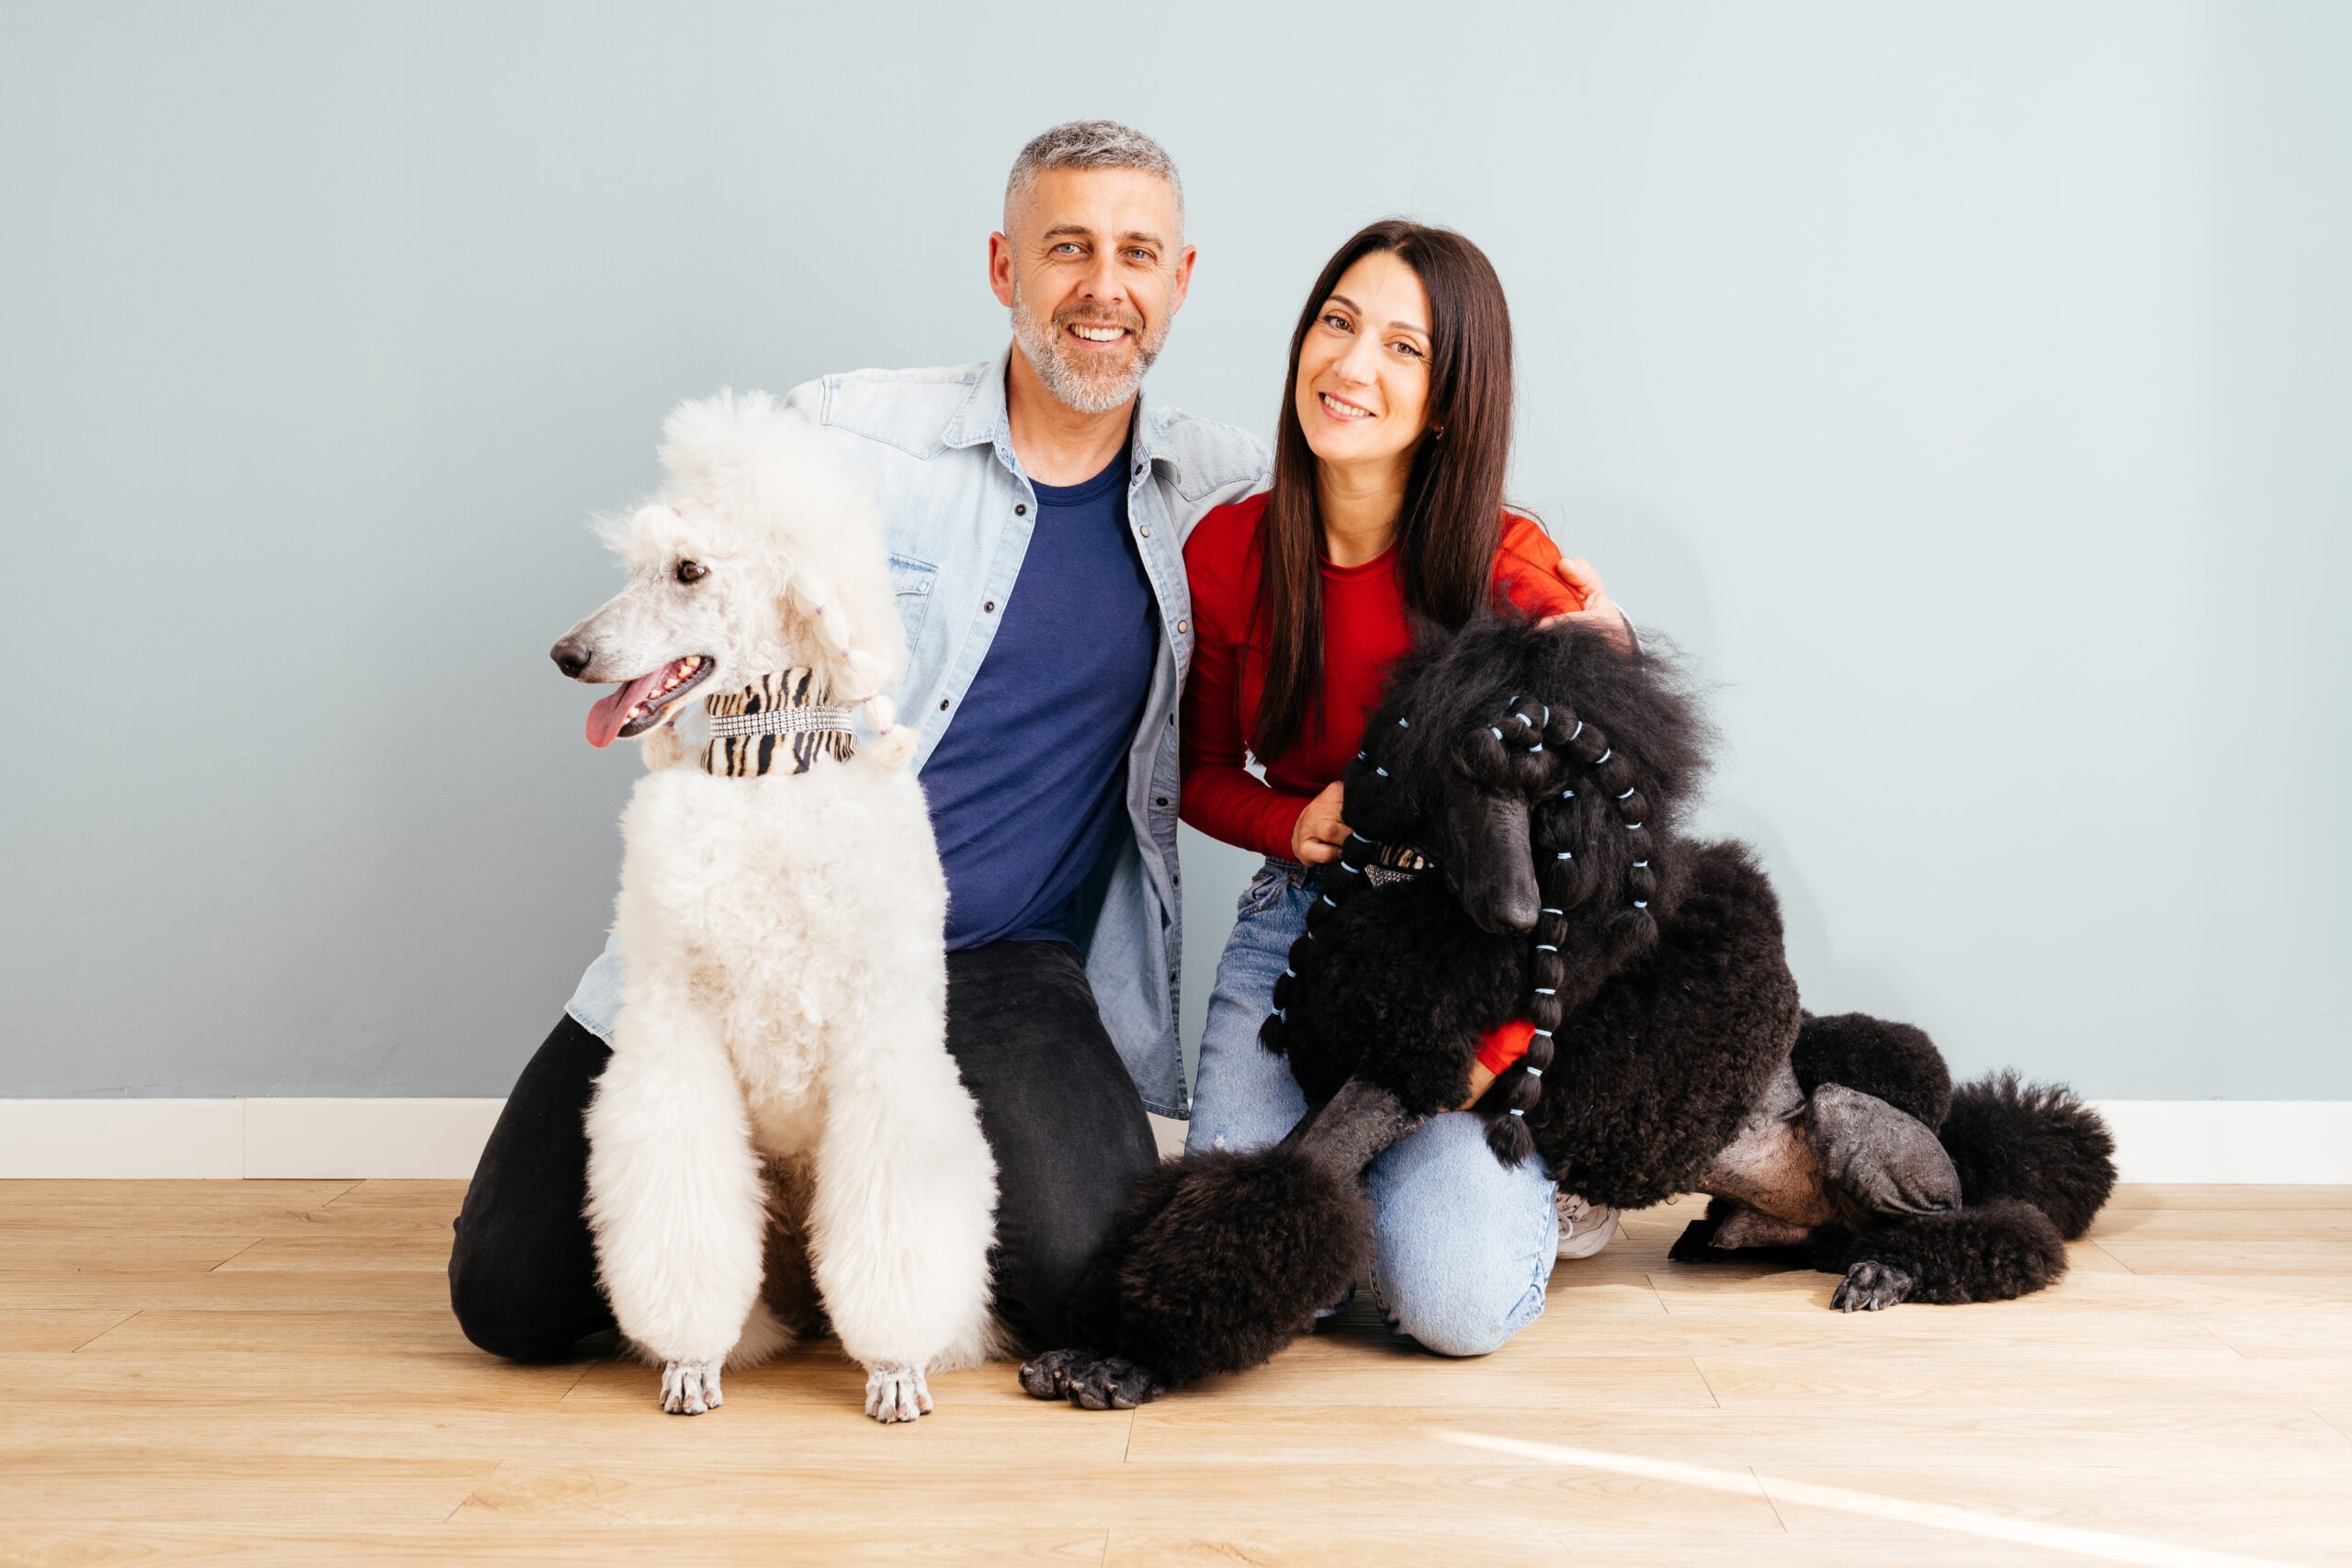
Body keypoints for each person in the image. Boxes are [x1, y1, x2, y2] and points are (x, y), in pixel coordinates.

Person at [449, 120, 1269, 1358]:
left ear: (1181, 279)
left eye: (1138, 252)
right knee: (512, 1297)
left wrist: (1551, 590)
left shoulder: (1217, 488)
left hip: (1001, 955)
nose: (1104, 286)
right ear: (1005, 267)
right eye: (1068, 248)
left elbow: (1405, 523)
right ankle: (786, 1224)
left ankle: (847, 1234)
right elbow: (694, 594)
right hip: (760, 923)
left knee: (1081, 1277)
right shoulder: (843, 437)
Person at [1182, 220, 1627, 1359]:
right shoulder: (1228, 551)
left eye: (1403, 348)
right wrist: (1291, 820)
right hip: (1297, 932)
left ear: (1447, 400)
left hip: (1462, 944)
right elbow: (1194, 775)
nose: (1352, 367)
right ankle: (1382, 1181)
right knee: (1271, 1294)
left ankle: (1530, 1189)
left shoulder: (1507, 566)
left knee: (1455, 1312)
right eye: (1337, 324)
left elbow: (1614, 791)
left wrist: (1608, 653)